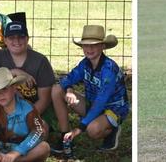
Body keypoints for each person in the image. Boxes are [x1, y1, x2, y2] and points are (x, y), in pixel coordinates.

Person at [51, 25, 129, 156]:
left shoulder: (109, 69)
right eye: (85, 45)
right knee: (56, 89)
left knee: (92, 130)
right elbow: (67, 79)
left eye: (94, 45)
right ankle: (65, 136)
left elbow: (101, 101)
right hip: (92, 104)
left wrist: (79, 129)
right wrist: (69, 90)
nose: (89, 49)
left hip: (113, 109)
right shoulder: (85, 63)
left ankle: (112, 129)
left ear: (102, 46)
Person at [0, 21, 56, 126]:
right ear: (5, 40)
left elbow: (44, 100)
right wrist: (13, 72)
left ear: (27, 39)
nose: (16, 41)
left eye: (21, 37)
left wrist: (25, 119)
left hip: (36, 110)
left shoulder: (40, 60)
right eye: (11, 38)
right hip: (7, 109)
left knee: (41, 129)